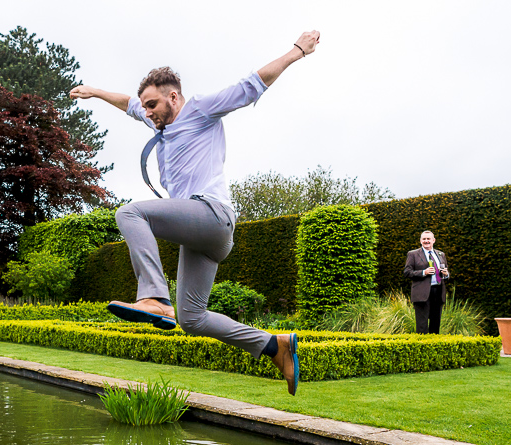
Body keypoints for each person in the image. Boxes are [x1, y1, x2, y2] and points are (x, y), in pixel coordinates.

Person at [68, 31, 321, 395]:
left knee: (130, 214)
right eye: (146, 107)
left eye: (153, 104)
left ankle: (154, 295)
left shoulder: (200, 109)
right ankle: (273, 346)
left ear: (173, 96)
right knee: (192, 318)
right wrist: (94, 91)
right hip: (202, 237)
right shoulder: (159, 119)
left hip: (212, 215)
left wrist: (297, 51)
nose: (148, 112)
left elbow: (253, 84)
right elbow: (128, 104)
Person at [403, 230, 450, 334]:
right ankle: (421, 346)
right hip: (421, 293)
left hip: (438, 291)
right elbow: (407, 272)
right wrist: (424, 272)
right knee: (422, 325)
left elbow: (446, 271)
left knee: (435, 323)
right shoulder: (413, 254)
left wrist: (446, 274)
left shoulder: (441, 254)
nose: (426, 241)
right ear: (420, 241)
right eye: (424, 239)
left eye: (428, 239)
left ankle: (434, 347)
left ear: (433, 240)